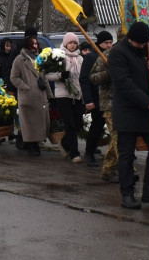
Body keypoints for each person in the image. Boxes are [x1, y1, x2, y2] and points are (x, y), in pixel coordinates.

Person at [110, 21, 149, 209]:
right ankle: (127, 193)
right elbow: (124, 83)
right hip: (127, 111)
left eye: (145, 43)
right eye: (139, 44)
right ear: (131, 39)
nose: (142, 47)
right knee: (126, 155)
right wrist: (147, 102)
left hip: (148, 112)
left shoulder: (147, 48)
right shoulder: (118, 52)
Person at [47, 32, 84, 163]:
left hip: (77, 94)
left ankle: (64, 143)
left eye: (75, 43)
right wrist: (60, 75)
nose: (73, 45)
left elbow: (82, 78)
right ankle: (75, 153)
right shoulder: (58, 57)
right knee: (70, 124)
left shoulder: (80, 59)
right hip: (62, 94)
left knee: (78, 123)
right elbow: (47, 75)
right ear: (65, 43)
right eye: (70, 43)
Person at [11, 35, 50, 157]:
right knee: (30, 123)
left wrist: (50, 94)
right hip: (28, 97)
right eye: (33, 43)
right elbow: (14, 77)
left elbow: (44, 77)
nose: (35, 46)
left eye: (36, 43)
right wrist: (26, 87)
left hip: (40, 95)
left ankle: (34, 143)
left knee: (40, 122)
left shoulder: (39, 58)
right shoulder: (19, 59)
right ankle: (31, 145)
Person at [89, 31, 119, 181]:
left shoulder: (133, 54)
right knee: (117, 136)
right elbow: (92, 77)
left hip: (126, 103)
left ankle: (110, 168)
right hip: (109, 103)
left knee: (123, 138)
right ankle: (120, 169)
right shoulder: (106, 56)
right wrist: (109, 73)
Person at [80, 34, 108, 165]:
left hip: (110, 97)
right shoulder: (91, 57)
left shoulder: (111, 55)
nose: (109, 45)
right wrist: (88, 100)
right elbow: (84, 79)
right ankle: (89, 152)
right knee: (97, 126)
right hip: (97, 98)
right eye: (106, 43)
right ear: (100, 43)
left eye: (111, 42)